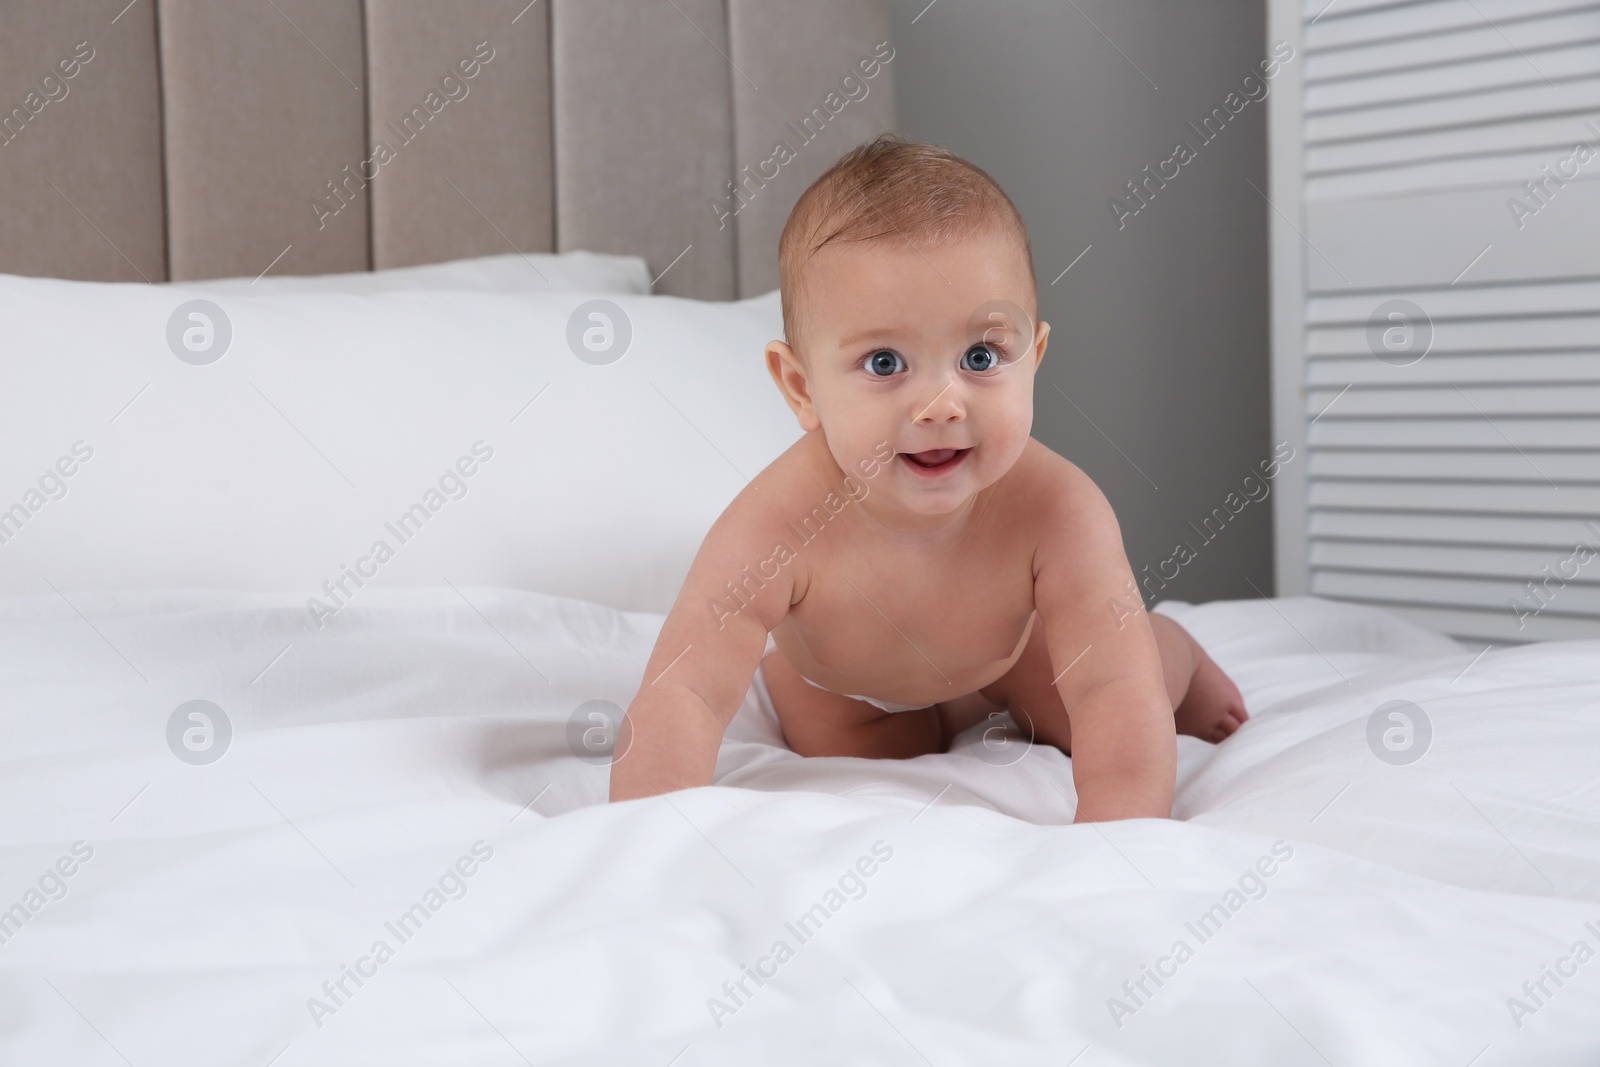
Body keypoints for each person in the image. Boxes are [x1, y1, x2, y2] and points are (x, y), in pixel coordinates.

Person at [609, 134, 1247, 821]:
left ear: (1033, 358)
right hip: (840, 683)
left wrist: (1119, 830)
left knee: (1082, 697)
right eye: (885, 363)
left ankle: (1181, 654)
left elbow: (1111, 685)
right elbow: (688, 690)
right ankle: (952, 710)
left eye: (981, 354)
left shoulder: (1058, 509)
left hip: (1007, 652)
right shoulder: (777, 520)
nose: (942, 404)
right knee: (847, 749)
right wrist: (646, 831)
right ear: (801, 388)